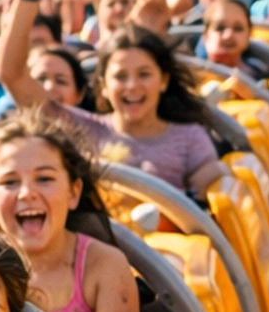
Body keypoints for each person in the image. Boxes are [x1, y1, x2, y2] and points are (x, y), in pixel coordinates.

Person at [0, 106, 139, 312]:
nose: (27, 193)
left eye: (44, 179)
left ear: (73, 192)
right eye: (10, 182)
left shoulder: (103, 265)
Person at [72, 25, 227, 198]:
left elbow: (211, 202)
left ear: (164, 81)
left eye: (144, 74)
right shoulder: (81, 130)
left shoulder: (191, 139)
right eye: (120, 76)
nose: (132, 85)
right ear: (104, 86)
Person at [198, 0, 254, 69]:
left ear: (249, 34)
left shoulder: (259, 71)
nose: (228, 35)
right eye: (220, 28)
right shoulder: (192, 73)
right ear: (206, 36)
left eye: (237, 28)